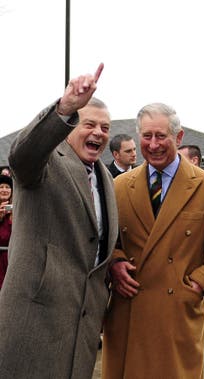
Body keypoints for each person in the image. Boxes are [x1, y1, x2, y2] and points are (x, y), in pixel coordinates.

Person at [102, 103, 204, 378]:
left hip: (177, 314)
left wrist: (200, 284)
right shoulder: (118, 186)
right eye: (147, 136)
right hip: (128, 312)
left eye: (161, 136)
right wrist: (115, 263)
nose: (153, 144)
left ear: (178, 137)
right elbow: (107, 240)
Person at [0, 65, 120, 378]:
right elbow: (22, 157)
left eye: (105, 128)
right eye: (90, 124)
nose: (98, 133)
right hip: (34, 321)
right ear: (70, 127)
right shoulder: (46, 160)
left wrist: (114, 263)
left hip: (81, 328)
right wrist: (65, 107)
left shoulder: (107, 179)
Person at [178, 143, 204, 377]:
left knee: (203, 334)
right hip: (177, 285)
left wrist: (202, 281)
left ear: (194, 161)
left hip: (202, 285)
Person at [0, 175, 13, 289]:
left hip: (11, 260)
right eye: (1, 187)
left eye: (7, 187)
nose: (4, 190)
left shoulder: (18, 208)